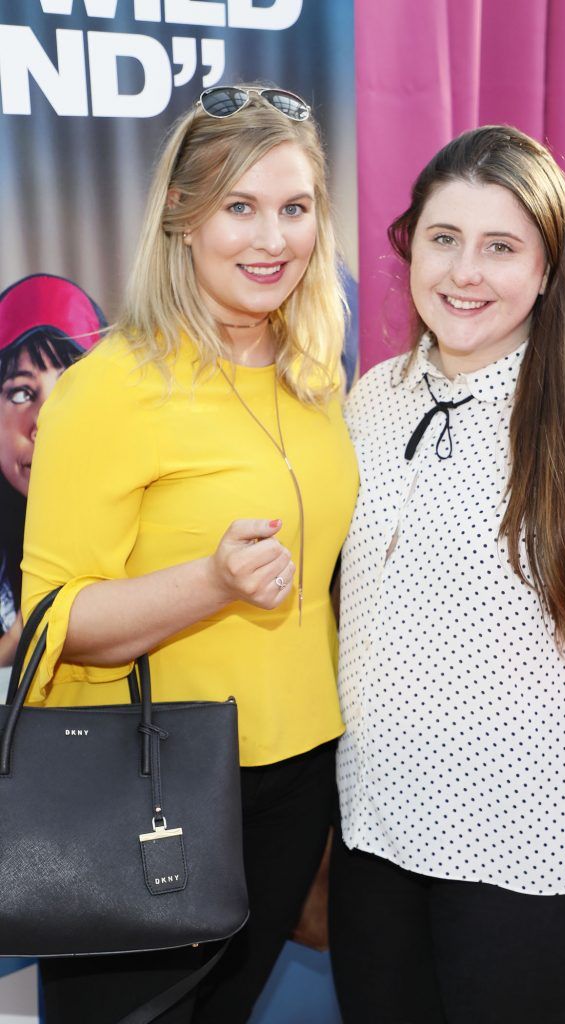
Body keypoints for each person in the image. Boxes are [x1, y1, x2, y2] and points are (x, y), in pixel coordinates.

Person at [330, 125, 565, 1024]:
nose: (465, 272)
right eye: (443, 239)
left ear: (545, 269)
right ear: (407, 246)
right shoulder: (372, 399)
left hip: (532, 868)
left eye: (501, 247)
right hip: (374, 849)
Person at [21, 84, 358, 1024]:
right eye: (238, 207)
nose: (271, 239)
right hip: (150, 786)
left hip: (297, 781)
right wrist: (208, 582)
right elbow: (53, 624)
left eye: (295, 209)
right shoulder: (106, 389)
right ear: (180, 217)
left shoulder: (316, 382)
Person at [0, 273, 105, 666]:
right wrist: (22, 633)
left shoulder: (154, 520)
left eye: (69, 388)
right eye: (21, 392)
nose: (44, 421)